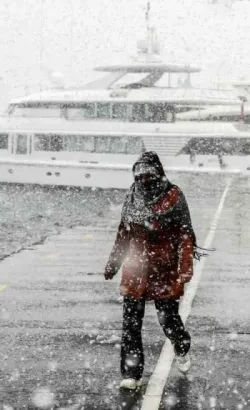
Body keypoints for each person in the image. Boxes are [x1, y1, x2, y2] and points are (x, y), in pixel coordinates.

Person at [104, 152, 196, 390]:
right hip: (134, 270)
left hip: (163, 270)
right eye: (139, 176)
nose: (144, 181)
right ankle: (132, 374)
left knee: (168, 320)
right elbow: (123, 232)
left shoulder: (173, 196)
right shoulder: (132, 196)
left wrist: (184, 271)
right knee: (131, 325)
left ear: (158, 174)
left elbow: (185, 235)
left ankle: (181, 345)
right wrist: (113, 263)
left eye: (148, 176)